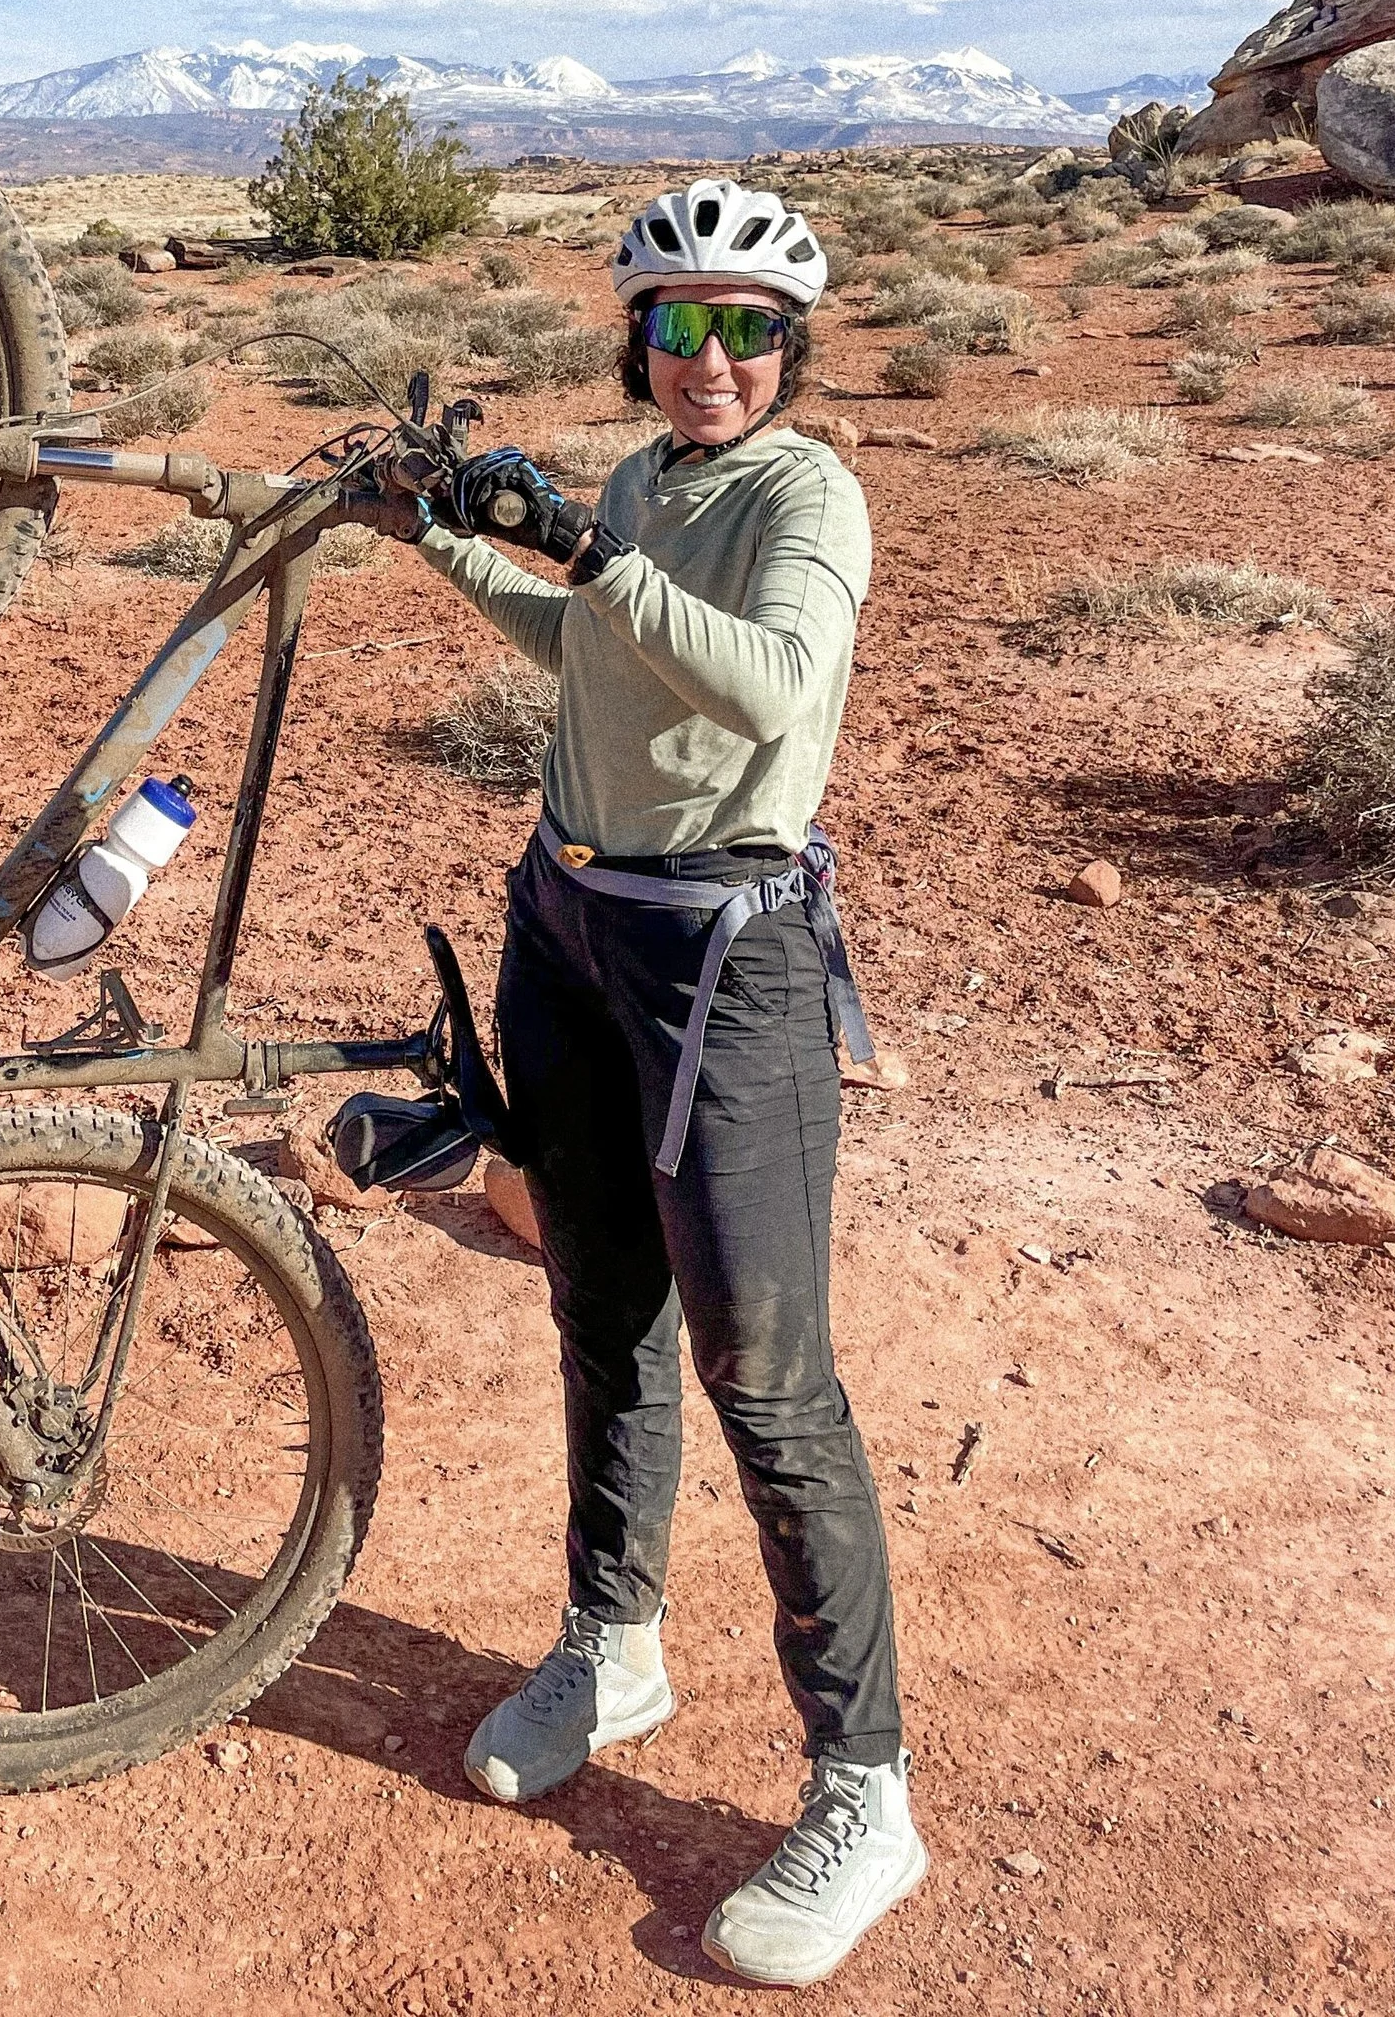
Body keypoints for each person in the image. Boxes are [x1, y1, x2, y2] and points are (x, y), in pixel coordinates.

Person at [403, 179, 924, 1988]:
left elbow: (778, 688)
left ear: (792, 346)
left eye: (745, 328)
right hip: (571, 921)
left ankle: (866, 1787)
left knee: (770, 1379)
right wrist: (442, 536)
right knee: (599, 1307)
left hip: (729, 961)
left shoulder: (808, 492)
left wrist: (583, 551)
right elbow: (590, 651)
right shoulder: (644, 484)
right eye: (677, 327)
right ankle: (612, 1643)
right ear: (637, 339)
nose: (710, 360)